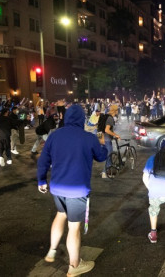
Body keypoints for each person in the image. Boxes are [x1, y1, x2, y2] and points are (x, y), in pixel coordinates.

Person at [37, 104, 108, 277]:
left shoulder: (55, 136)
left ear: (66, 117)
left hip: (57, 187)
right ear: (82, 119)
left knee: (60, 214)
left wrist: (41, 180)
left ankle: (52, 250)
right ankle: (74, 266)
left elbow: (43, 160)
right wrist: (103, 145)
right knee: (74, 227)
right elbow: (101, 156)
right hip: (77, 189)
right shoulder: (88, 137)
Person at [100, 104, 120, 179]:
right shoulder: (110, 118)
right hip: (107, 140)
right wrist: (115, 135)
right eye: (117, 110)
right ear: (115, 110)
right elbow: (106, 130)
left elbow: (99, 128)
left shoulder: (105, 116)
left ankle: (108, 171)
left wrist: (100, 139)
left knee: (108, 156)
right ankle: (105, 172)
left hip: (102, 139)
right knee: (109, 156)